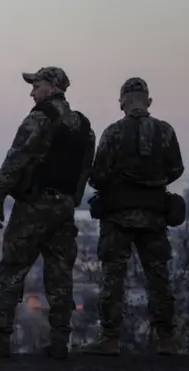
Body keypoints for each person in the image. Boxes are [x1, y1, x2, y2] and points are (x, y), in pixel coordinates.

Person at [0, 66, 96, 359]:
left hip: (34, 206)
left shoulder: (40, 118)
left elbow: (16, 158)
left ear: (52, 87)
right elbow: (85, 169)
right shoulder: (84, 126)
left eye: (36, 85)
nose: (32, 91)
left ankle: (0, 338)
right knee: (59, 275)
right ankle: (59, 342)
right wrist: (71, 200)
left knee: (12, 269)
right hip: (64, 207)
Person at [80, 77, 184, 356]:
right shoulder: (166, 132)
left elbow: (98, 176)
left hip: (118, 218)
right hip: (154, 217)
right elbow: (176, 170)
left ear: (123, 102)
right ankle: (166, 339)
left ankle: (110, 337)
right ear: (148, 101)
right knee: (158, 277)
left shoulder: (113, 133)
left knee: (114, 276)